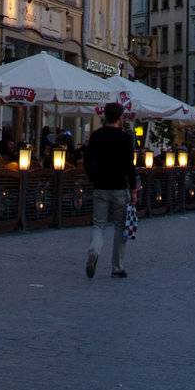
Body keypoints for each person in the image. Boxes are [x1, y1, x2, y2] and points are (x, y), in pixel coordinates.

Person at [83, 102, 137, 280]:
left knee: (98, 225)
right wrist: (134, 188)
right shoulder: (125, 138)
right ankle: (117, 267)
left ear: (105, 116)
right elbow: (130, 166)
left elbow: (87, 161)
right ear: (120, 117)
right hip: (119, 188)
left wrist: (93, 178)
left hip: (100, 187)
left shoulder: (96, 136)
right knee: (120, 227)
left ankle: (94, 251)